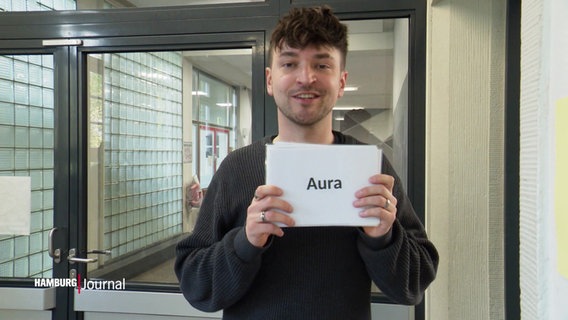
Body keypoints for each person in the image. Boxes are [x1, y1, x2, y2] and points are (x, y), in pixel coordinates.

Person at [175, 5, 438, 319]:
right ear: (271, 80)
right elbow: (196, 286)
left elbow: (413, 285)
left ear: (341, 82)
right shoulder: (237, 168)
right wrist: (246, 241)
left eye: (322, 65)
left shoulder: (369, 168)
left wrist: (383, 235)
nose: (306, 77)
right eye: (289, 63)